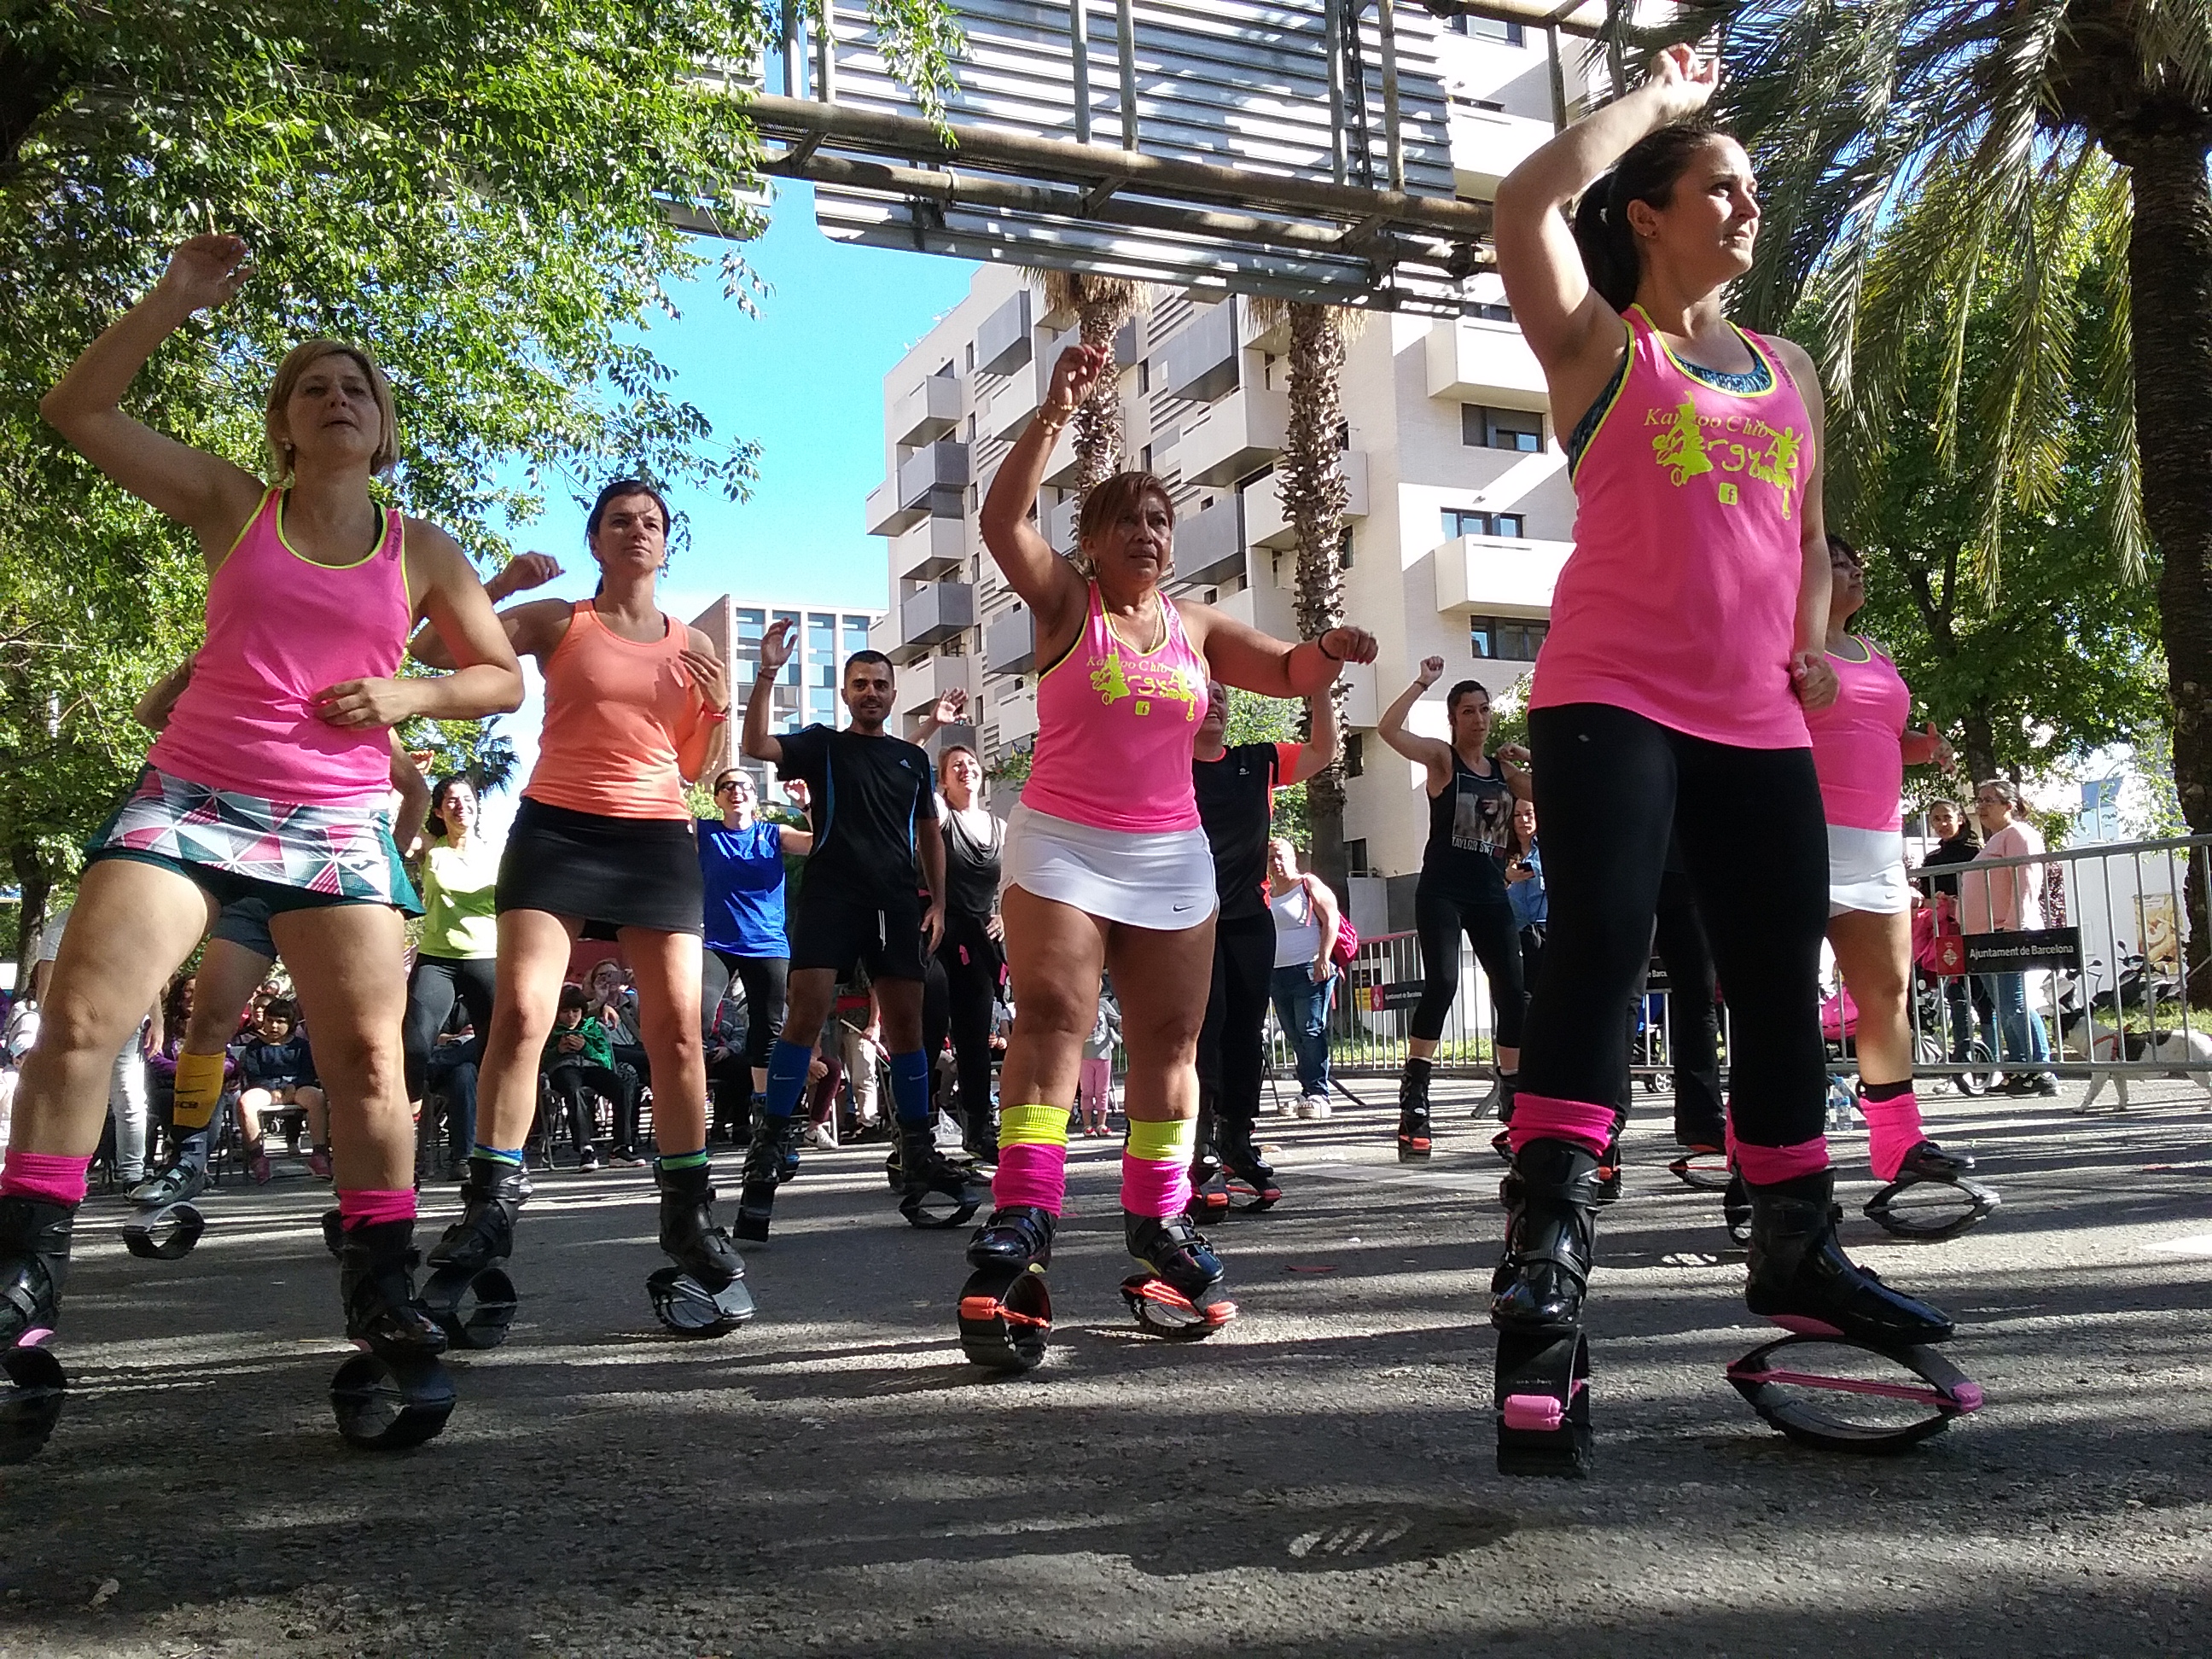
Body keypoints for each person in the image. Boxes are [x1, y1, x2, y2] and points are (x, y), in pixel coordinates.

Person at [1485, 49, 1952, 1373]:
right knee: (1604, 935)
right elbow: (1522, 207)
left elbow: (1805, 535)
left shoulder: (1786, 365)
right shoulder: (1599, 343)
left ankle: (1796, 1242)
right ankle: (1550, 1235)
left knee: (1775, 972)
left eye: (1752, 187)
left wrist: (1808, 652)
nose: (1750, 204)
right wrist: (1658, 104)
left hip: (1754, 716)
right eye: (1722, 185)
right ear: (1649, 214)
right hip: (1612, 694)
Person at [9, 232, 523, 1415]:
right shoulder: (234, 504)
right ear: (284, 425)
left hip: (336, 822)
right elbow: (77, 411)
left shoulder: (421, 548)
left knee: (370, 1062)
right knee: (80, 1022)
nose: (337, 399)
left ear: (382, 428)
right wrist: (172, 299)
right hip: (191, 797)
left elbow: (499, 677)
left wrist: (410, 694)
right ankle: (21, 1283)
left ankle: (383, 1292)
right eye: (313, 389)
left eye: (358, 390)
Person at [958, 337, 1377, 1335]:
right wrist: (1055, 411)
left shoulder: (1197, 626)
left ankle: (1159, 1224)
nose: (1146, 532)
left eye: (1159, 519)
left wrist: (1330, 649)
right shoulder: (1066, 602)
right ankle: (1025, 1213)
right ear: (1093, 540)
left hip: (1170, 854)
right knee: (1054, 1013)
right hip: (1062, 843)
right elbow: (1001, 521)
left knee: (1170, 1041)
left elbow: (1287, 672)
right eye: (1127, 519)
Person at [409, 476, 748, 1319]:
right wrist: (499, 585)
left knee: (677, 1033)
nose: (638, 531)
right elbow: (432, 650)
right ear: (595, 541)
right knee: (523, 1016)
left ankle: (688, 1215)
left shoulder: (694, 642)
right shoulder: (562, 620)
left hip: (655, 838)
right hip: (558, 831)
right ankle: (489, 1206)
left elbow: (697, 767)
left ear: (666, 544)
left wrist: (720, 708)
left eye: (652, 522)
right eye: (620, 521)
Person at [124, 658, 434, 1211]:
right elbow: (150, 715)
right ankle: (188, 1159)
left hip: (332, 884)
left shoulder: (348, 700)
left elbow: (415, 791)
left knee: (362, 1045)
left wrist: (387, 870)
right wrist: (197, 667)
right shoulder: (242, 686)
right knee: (208, 1020)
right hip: (252, 883)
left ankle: (370, 1192)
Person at [736, 625, 978, 1236]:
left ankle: (917, 1148)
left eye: (880, 685)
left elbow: (929, 833)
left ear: (894, 694)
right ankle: (771, 1142)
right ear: (845, 693)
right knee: (803, 1015)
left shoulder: (912, 759)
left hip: (895, 903)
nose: (871, 692)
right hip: (830, 897)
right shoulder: (823, 745)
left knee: (907, 1030)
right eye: (860, 684)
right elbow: (755, 743)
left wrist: (938, 902)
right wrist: (767, 672)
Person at [1806, 535, 1979, 1182]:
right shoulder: (1782, 641)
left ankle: (1900, 1145)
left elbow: (1875, 732)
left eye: (1858, 563)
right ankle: (1762, 1150)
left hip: (1879, 846)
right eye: (1838, 562)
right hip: (1800, 837)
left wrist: (1923, 748)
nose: (1855, 571)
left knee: (1887, 994)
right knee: (1782, 1003)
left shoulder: (1875, 653)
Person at [1376, 662, 1532, 1159]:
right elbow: (1388, 731)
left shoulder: (1505, 774)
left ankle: (1513, 1098)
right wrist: (1421, 683)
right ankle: (1415, 1096)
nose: (1479, 719)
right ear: (1453, 719)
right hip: (1442, 891)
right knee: (1443, 982)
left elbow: (1562, 790)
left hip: (1489, 893)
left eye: (1485, 710)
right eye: (1468, 712)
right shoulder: (1443, 761)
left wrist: (1528, 755)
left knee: (1512, 991)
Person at [1190, 683, 1336, 1197]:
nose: (1215, 703)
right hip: (1192, 918)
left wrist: (1320, 688)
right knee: (1206, 1029)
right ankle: (1198, 1145)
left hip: (1250, 917)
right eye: (1204, 695)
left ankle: (1237, 1139)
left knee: (1246, 1033)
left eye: (1222, 696)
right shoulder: (1167, 767)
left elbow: (1323, 751)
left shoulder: (1258, 761)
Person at [697, 765, 812, 1118]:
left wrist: (806, 805)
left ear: (755, 797)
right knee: (697, 1016)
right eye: (728, 786)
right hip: (718, 943)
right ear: (717, 798)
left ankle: (766, 1111)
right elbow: (664, 828)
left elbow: (819, 844)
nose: (737, 791)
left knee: (768, 1027)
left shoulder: (773, 834)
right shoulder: (704, 831)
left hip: (767, 944)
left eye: (745, 786)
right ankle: (689, 1099)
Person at [402, 775, 502, 1151]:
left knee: (494, 1054)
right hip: (437, 960)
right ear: (439, 811)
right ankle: (408, 1137)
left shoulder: (497, 853)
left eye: (467, 799)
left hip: (486, 958)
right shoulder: (431, 847)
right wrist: (402, 780)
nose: (461, 806)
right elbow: (397, 824)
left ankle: (495, 1146)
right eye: (451, 801)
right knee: (414, 1048)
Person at [934, 736, 1008, 1163]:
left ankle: (978, 1128)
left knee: (975, 1037)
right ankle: (917, 1132)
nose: (966, 770)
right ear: (943, 782)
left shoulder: (1000, 827)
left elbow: (1018, 877)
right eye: (956, 766)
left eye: (971, 764)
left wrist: (1006, 916)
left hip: (980, 939)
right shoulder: (943, 815)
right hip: (939, 931)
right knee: (929, 1033)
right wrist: (933, 724)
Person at [1963, 779, 2057, 1095]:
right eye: (1979, 800)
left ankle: (2041, 1070)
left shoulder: (2019, 835)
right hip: (1985, 936)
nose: (1981, 806)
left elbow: (2027, 880)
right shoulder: (1995, 840)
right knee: (2004, 1006)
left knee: (2014, 1003)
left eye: (1989, 800)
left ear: (2010, 805)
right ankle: (2020, 1069)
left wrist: (2016, 924)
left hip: (2006, 931)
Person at [1266, 838, 1341, 1118]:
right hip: (1277, 973)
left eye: (1282, 856)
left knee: (1310, 1030)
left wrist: (1323, 957)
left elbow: (1331, 919)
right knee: (1294, 1033)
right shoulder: (1268, 893)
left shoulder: (1307, 884)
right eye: (1271, 858)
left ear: (1293, 859)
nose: (1277, 863)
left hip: (1309, 969)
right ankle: (1307, 1089)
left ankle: (1319, 1094)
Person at [1916, 799, 1986, 1069]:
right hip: (1946, 932)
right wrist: (1937, 901)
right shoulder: (1931, 859)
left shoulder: (1976, 852)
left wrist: (1960, 901)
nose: (1942, 824)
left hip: (1976, 928)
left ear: (1960, 819)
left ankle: (1993, 1059)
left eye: (1947, 817)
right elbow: (1924, 899)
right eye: (1936, 819)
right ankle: (1964, 1058)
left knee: (1984, 994)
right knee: (1956, 993)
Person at [234, 996, 327, 1182]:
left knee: (317, 1098)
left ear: (290, 1023)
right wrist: (271, 1089)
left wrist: (294, 1086)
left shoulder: (301, 1046)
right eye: (270, 1021)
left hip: (297, 1087)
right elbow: (254, 1075)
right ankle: (257, 1157)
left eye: (280, 1022)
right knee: (245, 1103)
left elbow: (308, 1073)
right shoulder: (255, 1047)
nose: (274, 1026)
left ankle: (319, 1154)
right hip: (265, 1088)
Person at [541, 984, 621, 1170]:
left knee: (621, 1086)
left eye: (575, 1011)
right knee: (574, 1091)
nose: (571, 1016)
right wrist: (557, 1051)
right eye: (565, 1012)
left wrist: (586, 1048)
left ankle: (621, 1147)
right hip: (563, 1069)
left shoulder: (591, 1027)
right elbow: (539, 1062)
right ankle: (586, 1149)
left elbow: (606, 1060)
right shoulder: (550, 1029)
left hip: (592, 1068)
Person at [585, 960, 649, 1163]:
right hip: (606, 1055)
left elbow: (649, 1022)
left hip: (635, 1051)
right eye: (602, 976)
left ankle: (676, 1137)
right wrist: (599, 1000)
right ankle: (622, 1145)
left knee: (642, 1071)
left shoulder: (630, 1000)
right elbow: (580, 1026)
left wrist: (637, 987)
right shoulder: (585, 1005)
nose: (608, 979)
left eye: (613, 975)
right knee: (635, 1069)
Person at [1505, 798, 1545, 995]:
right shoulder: (1503, 854)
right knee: (1522, 993)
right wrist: (1507, 877)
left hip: (1546, 929)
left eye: (1529, 814)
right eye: (1518, 815)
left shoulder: (1548, 850)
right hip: (1517, 932)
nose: (1524, 820)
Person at [1076, 988, 1121, 1138]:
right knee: (1086, 1092)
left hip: (1104, 1055)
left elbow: (1116, 1020)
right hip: (1084, 1056)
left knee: (1102, 1092)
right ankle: (1087, 1126)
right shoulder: (1079, 1003)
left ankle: (1102, 1124)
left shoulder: (1103, 1004)